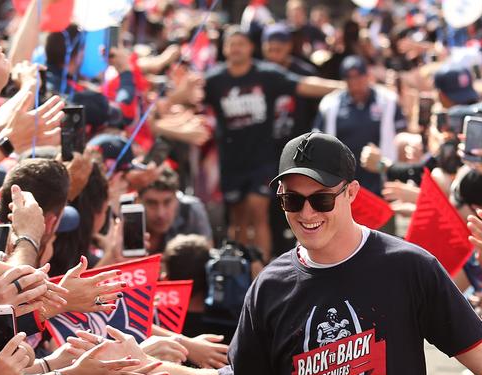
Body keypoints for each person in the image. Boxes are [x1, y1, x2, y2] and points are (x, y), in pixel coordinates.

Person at [101, 132, 482, 375]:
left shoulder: (408, 269)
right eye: (292, 200)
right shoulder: (272, 284)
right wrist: (148, 369)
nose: (306, 213)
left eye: (321, 199)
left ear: (350, 194)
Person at [191, 27, 346, 263]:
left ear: (252, 48)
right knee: (238, 220)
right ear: (224, 49)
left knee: (259, 212)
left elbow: (304, 85)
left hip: (261, 159)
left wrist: (345, 87)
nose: (236, 49)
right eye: (231, 44)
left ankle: (264, 269)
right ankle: (240, 271)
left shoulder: (266, 74)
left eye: (241, 44)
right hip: (231, 160)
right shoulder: (214, 80)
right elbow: (189, 97)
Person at [314, 55, 407, 197]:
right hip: (343, 181)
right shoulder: (330, 104)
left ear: (368, 75)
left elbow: (402, 134)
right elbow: (318, 140)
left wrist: (397, 172)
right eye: (349, 78)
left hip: (380, 177)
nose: (355, 82)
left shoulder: (388, 100)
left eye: (359, 76)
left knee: (381, 218)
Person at [141, 167, 214, 254]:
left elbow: (207, 254)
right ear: (137, 200)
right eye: (151, 203)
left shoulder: (192, 210)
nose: (160, 214)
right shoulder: (125, 214)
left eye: (167, 202)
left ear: (177, 197)